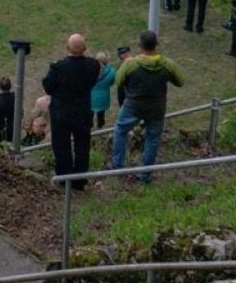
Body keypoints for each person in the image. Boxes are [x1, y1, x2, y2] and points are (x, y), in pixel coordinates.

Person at [108, 30, 184, 183]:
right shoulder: (167, 64)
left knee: (120, 131)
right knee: (153, 139)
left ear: (139, 45)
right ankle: (145, 175)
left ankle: (117, 166)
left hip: (133, 106)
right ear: (156, 44)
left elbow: (118, 81)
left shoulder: (131, 64)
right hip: (157, 108)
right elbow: (180, 81)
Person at [43, 33, 102, 189]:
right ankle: (80, 179)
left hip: (61, 113)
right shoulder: (93, 65)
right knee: (82, 147)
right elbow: (92, 81)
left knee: (61, 146)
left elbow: (48, 87)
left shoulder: (58, 67)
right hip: (82, 111)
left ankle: (64, 178)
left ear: (67, 47)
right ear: (85, 48)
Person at [91, 51, 116, 129]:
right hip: (104, 96)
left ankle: (90, 127)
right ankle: (100, 128)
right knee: (101, 114)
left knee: (89, 113)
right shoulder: (112, 71)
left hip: (90, 95)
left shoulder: (89, 70)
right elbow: (112, 82)